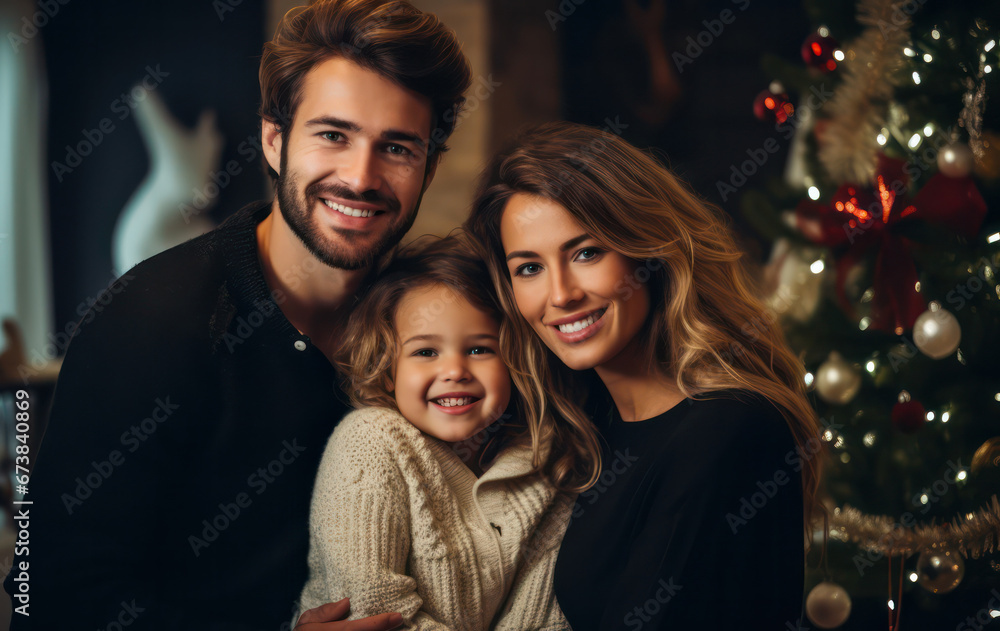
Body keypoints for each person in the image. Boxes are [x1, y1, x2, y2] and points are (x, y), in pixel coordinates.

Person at [6, 2, 471, 629]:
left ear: (429, 167)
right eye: (333, 135)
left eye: (396, 148)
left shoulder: (434, 321)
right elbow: (48, 595)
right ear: (274, 140)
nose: (360, 178)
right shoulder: (150, 326)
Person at [465, 121, 824, 630]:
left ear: (647, 249)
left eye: (586, 253)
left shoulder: (727, 429)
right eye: (529, 268)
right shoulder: (586, 422)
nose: (560, 294)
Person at [295, 236, 572, 629]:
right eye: (425, 352)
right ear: (388, 369)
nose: (455, 370)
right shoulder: (369, 441)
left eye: (479, 349)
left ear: (514, 360)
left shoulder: (550, 469)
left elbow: (543, 620)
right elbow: (373, 612)